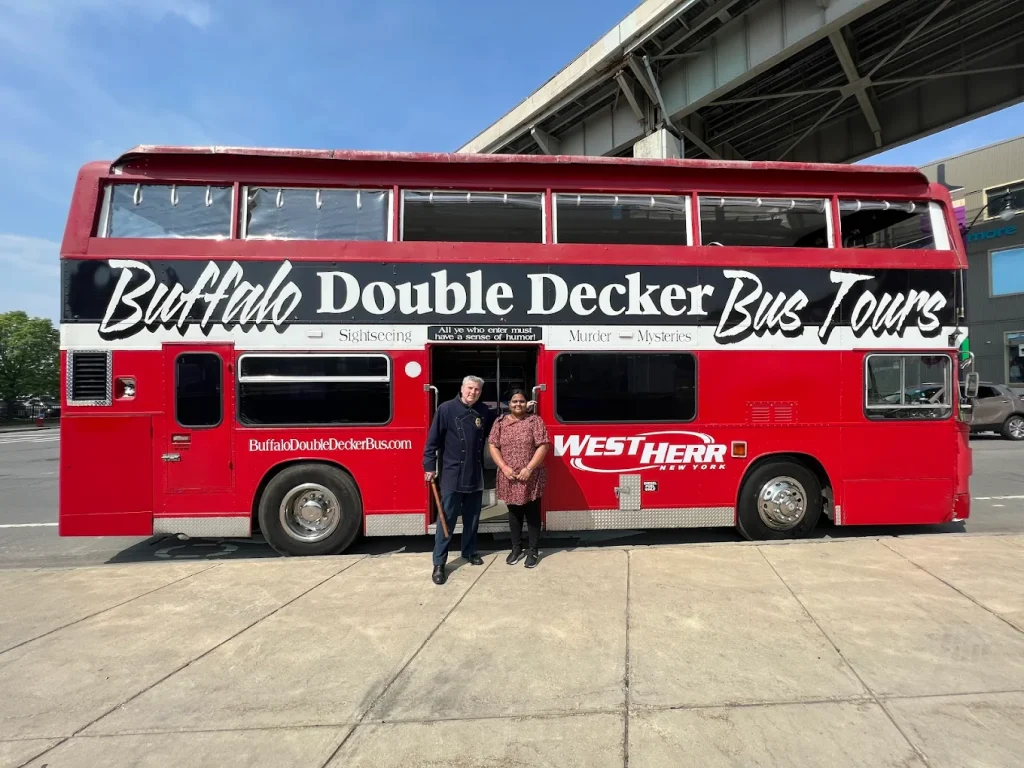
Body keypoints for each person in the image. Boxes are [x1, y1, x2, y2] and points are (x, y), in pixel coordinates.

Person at [423, 375, 496, 585]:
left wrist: (524, 410)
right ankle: (439, 563)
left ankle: (469, 551)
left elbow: (500, 426)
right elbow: (432, 442)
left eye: (477, 390)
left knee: (472, 518)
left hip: (475, 472)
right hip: (452, 474)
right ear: (462, 388)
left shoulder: (484, 411)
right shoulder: (446, 409)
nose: (473, 392)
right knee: (446, 520)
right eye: (470, 388)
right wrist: (429, 466)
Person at [488, 388, 549, 568]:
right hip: (509, 476)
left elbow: (543, 446)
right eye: (514, 401)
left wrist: (529, 468)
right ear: (509, 404)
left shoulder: (534, 421)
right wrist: (504, 467)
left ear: (526, 403)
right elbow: (493, 445)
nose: (518, 404)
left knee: (532, 513)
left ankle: (533, 550)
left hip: (530, 475)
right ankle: (516, 549)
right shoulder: (500, 422)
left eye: (521, 401)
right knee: (514, 514)